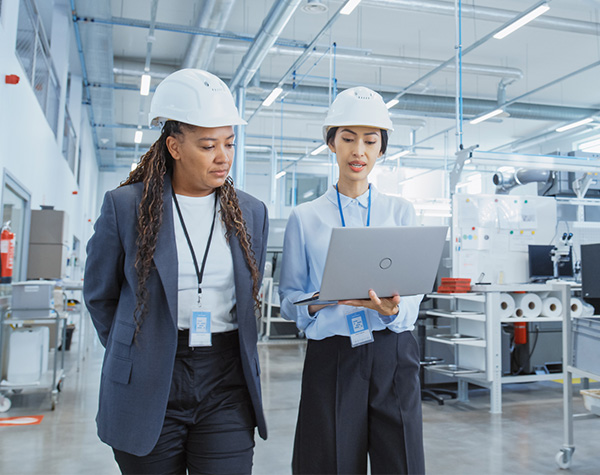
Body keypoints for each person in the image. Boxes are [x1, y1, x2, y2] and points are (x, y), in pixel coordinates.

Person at [84, 68, 269, 475]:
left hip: (225, 378)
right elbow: (101, 295)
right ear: (174, 146)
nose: (223, 157)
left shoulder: (251, 212)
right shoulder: (127, 207)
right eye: (208, 145)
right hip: (150, 379)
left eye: (229, 143)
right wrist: (133, 348)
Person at [279, 86, 426, 475]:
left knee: (402, 461)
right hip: (333, 355)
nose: (358, 150)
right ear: (331, 144)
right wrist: (321, 299)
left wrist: (395, 310)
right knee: (329, 461)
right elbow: (289, 297)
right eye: (347, 138)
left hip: (393, 351)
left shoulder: (401, 211)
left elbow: (415, 291)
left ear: (381, 149)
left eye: (369, 140)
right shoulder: (305, 217)